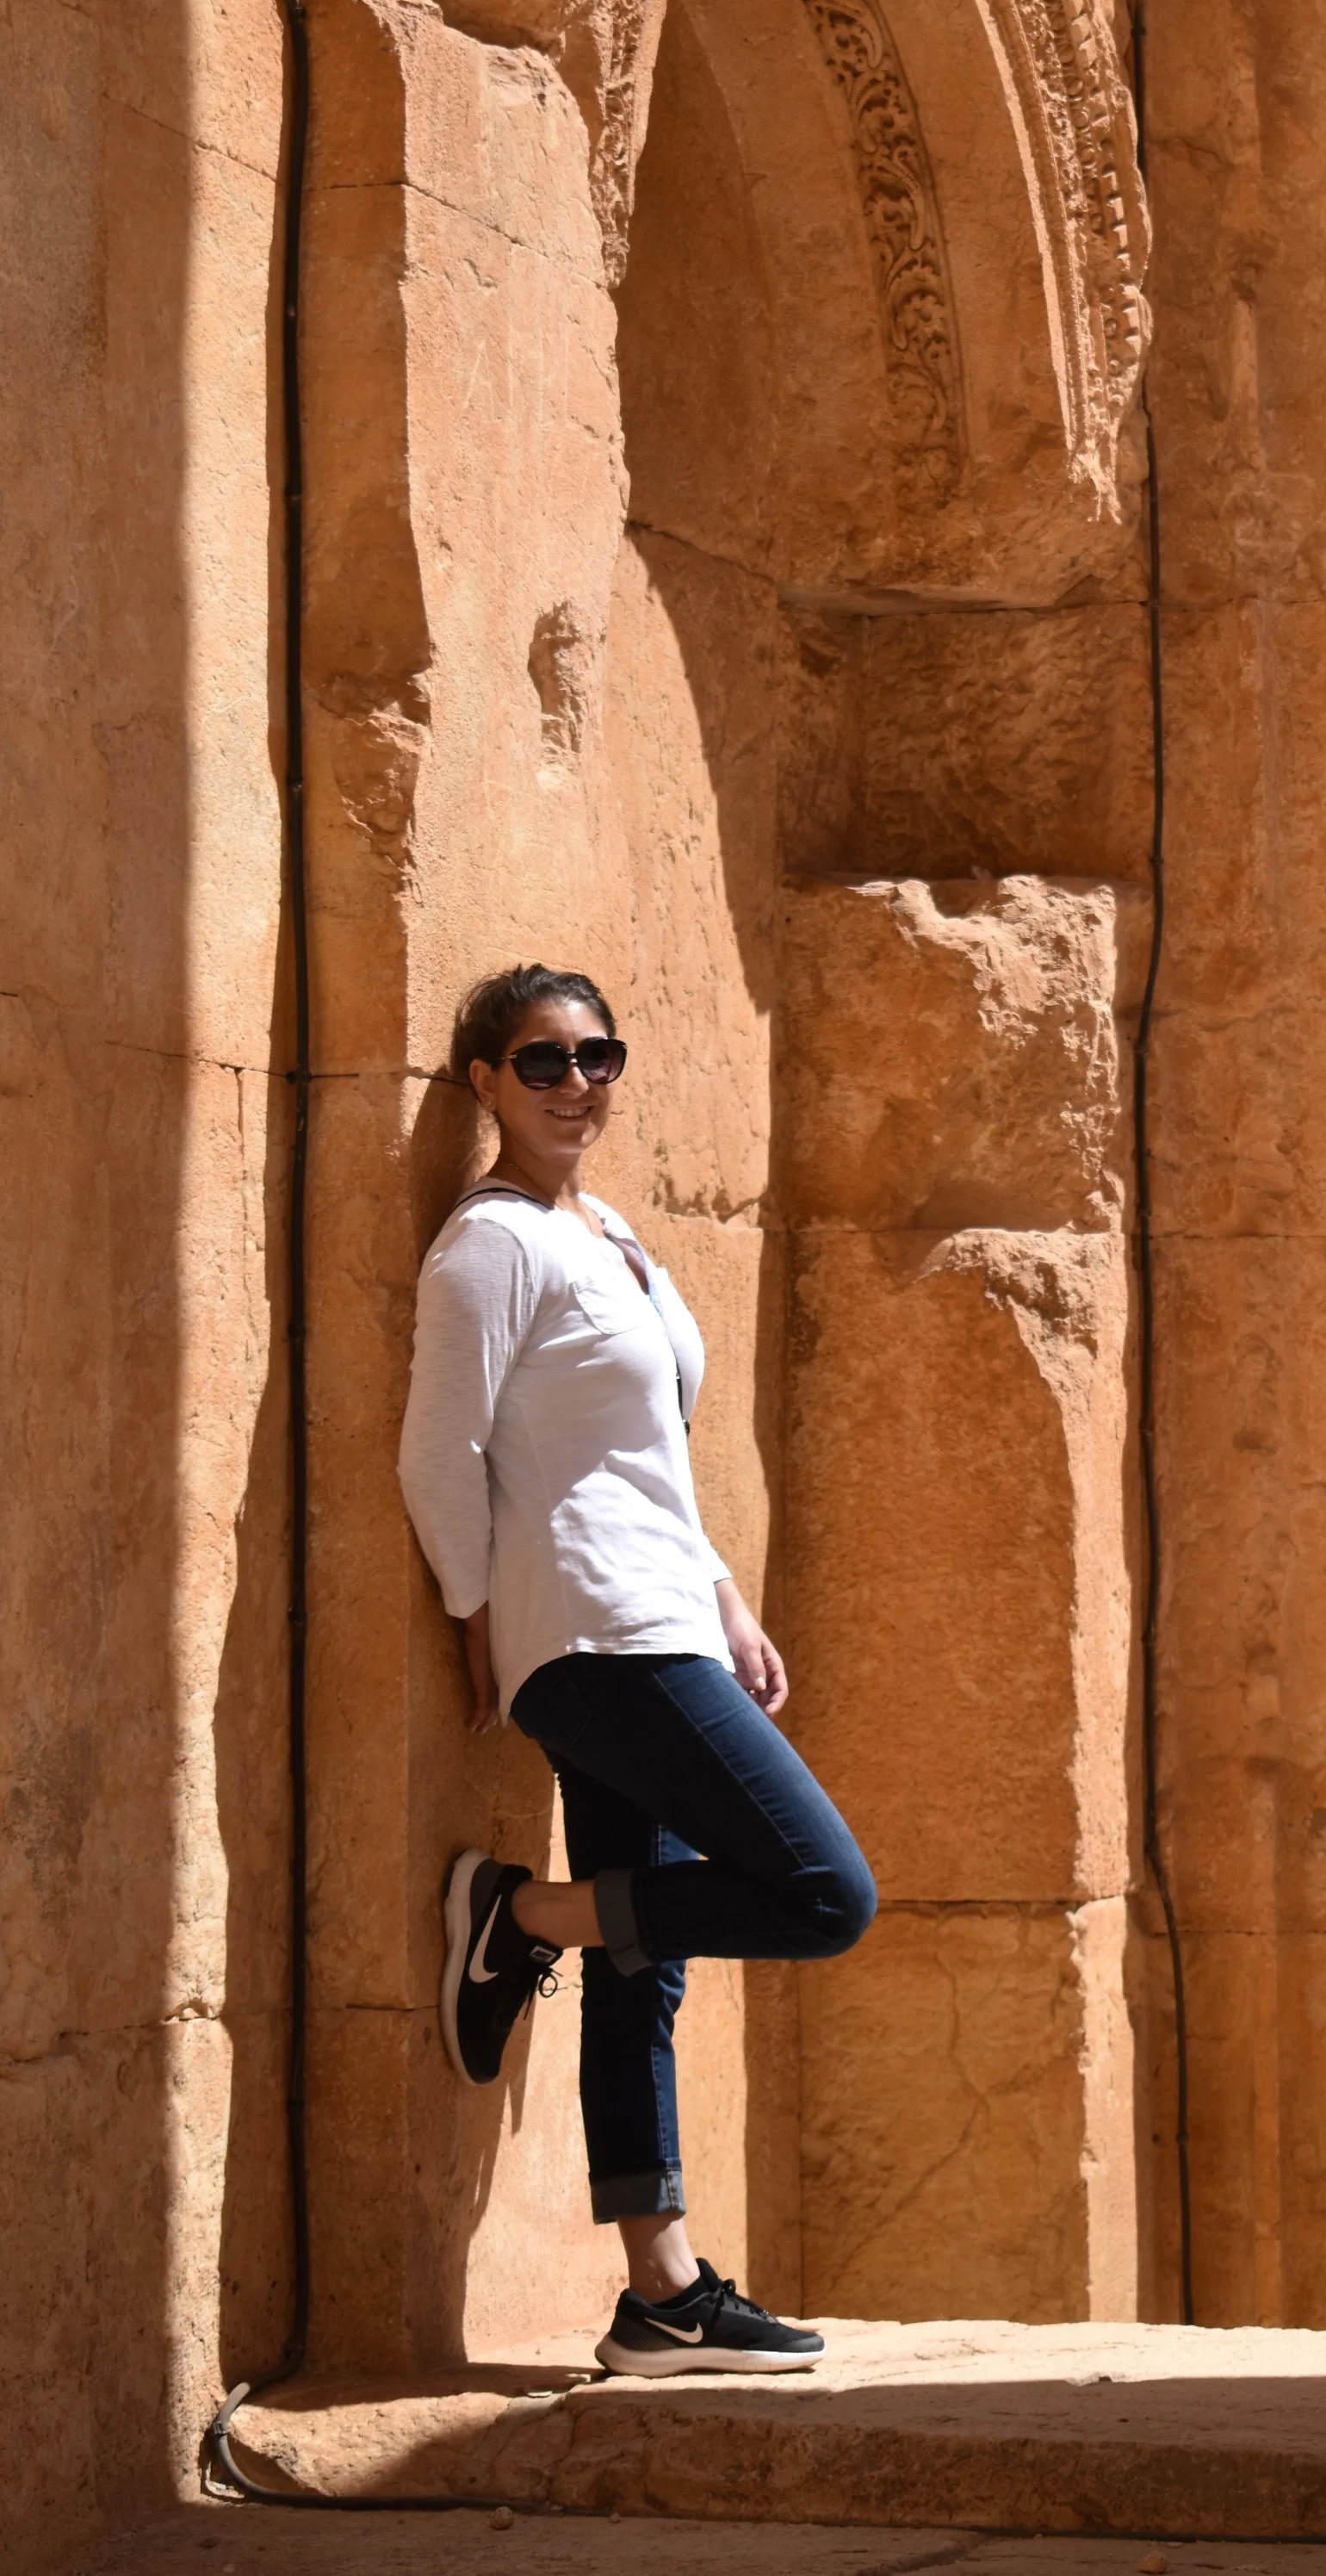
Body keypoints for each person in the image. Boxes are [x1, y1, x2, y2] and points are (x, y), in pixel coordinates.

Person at [398, 960, 877, 2375]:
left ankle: (660, 2293)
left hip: (661, 1609)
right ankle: (525, 1913)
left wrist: (725, 1589)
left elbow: (647, 1451)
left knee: (647, 1950)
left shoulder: (602, 1229)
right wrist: (479, 1610)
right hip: (595, 1633)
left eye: (596, 1056)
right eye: (541, 1061)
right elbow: (442, 1450)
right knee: (821, 1890)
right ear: (486, 1081)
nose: (576, 1084)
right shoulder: (488, 1245)